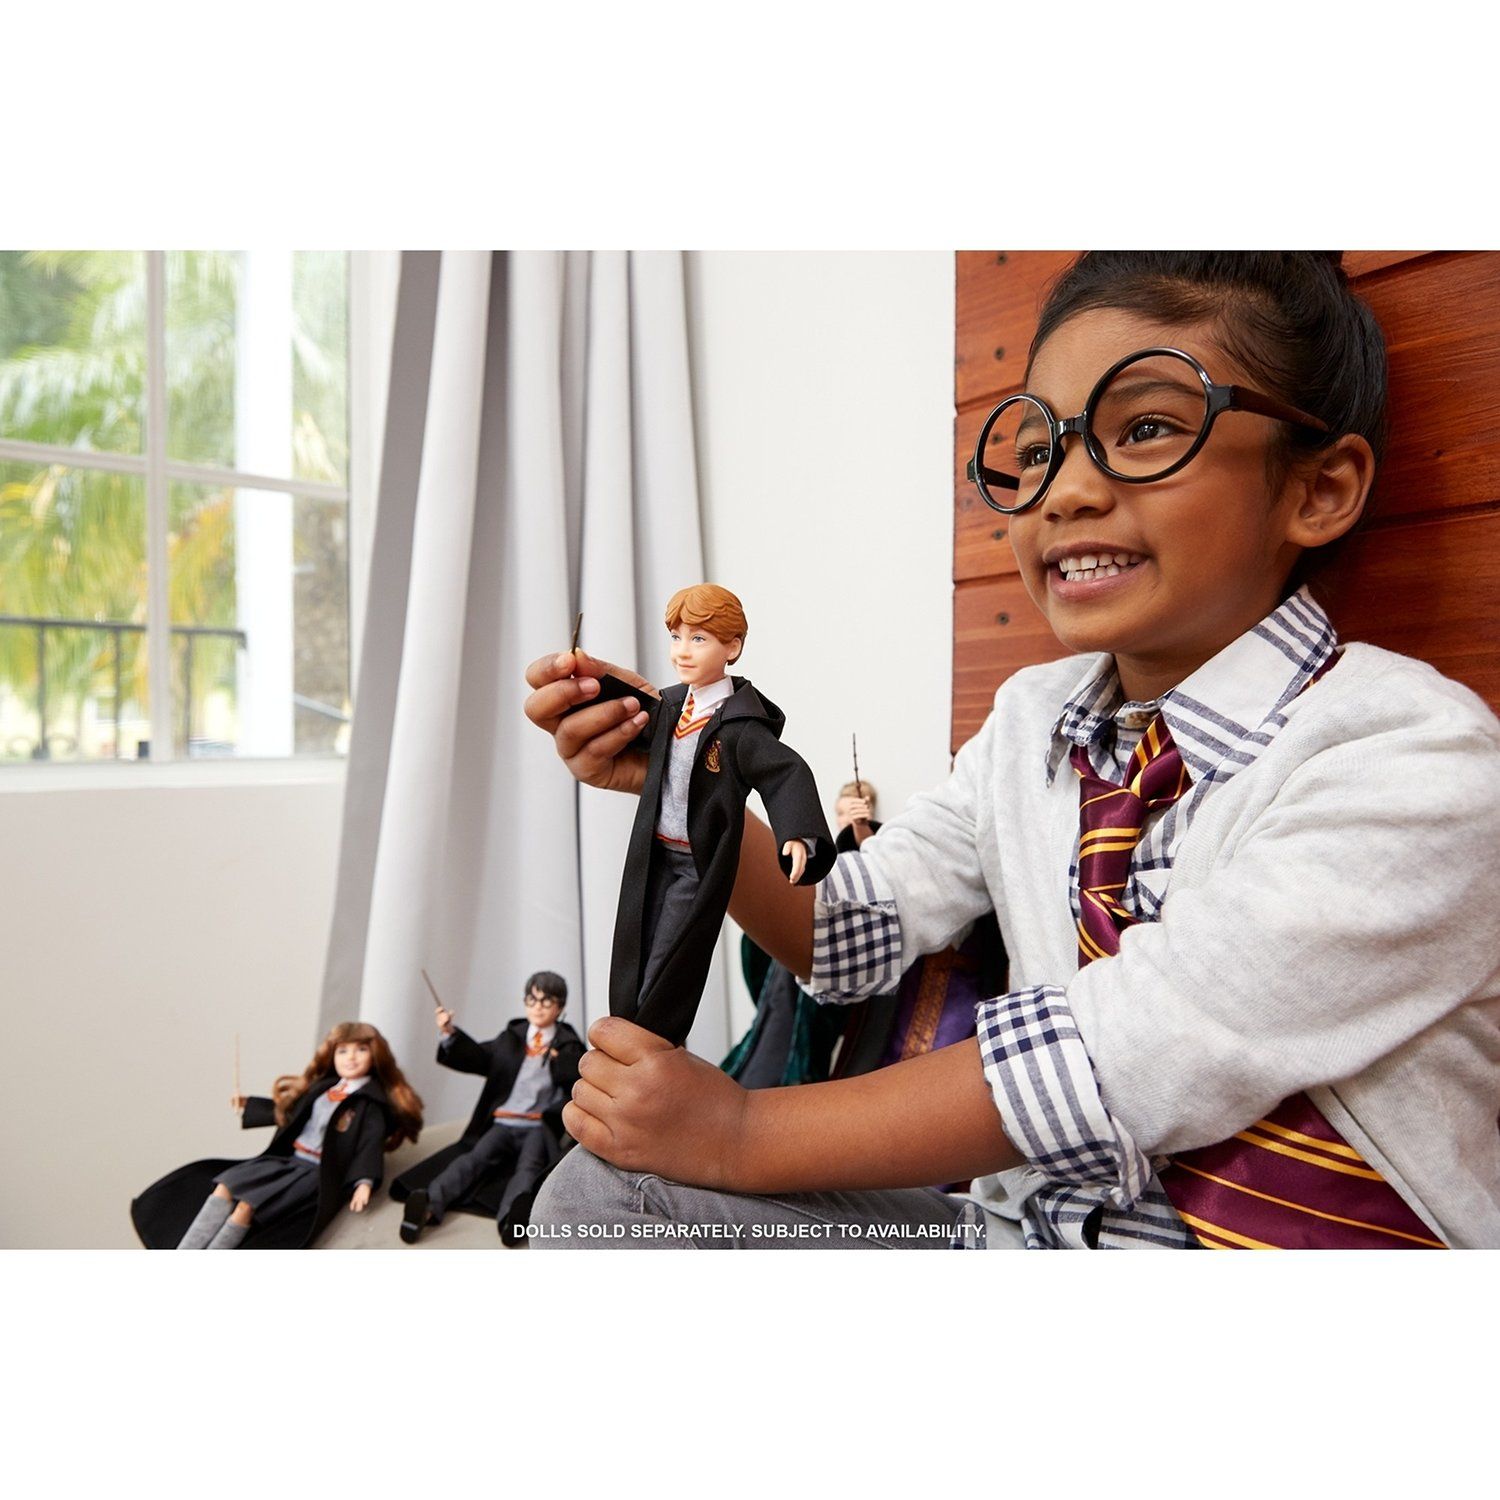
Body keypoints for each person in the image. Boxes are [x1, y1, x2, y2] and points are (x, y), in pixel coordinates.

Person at [523, 252, 1500, 1249]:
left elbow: (1114, 1055)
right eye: (1038, 448)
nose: (1064, 492)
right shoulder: (1031, 718)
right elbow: (845, 931)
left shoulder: (1416, 758)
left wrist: (738, 1130)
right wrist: (686, 780)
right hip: (1032, 1236)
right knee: (600, 1199)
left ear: (1319, 490)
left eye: (1148, 428)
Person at [605, 584, 836, 1048]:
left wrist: (798, 833)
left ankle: (649, 1037)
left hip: (696, 862)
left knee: (670, 953)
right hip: (655, 850)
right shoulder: (671, 707)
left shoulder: (740, 727)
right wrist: (589, 691)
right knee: (635, 936)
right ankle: (627, 1023)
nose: (682, 651)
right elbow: (630, 722)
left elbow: (785, 772)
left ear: (732, 647)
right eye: (676, 637)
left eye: (699, 639)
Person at [131, 1022, 423, 1250]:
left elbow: (369, 1145)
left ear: (375, 1055)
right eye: (342, 1051)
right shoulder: (323, 1088)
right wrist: (249, 1105)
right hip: (286, 1161)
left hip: (312, 1173)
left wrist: (364, 1182)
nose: (351, 1058)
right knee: (225, 1186)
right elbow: (291, 1113)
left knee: (247, 1206)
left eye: (360, 1050)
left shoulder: (369, 1104)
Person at [393, 970, 584, 1245]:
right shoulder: (511, 1038)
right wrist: (449, 1033)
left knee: (529, 1168)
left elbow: (578, 1080)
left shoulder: (569, 1045)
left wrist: (560, 1061)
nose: (538, 1007)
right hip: (504, 1121)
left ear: (560, 1006)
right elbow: (480, 1057)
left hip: (537, 1126)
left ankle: (510, 1219)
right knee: (474, 1158)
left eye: (546, 1001)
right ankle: (428, 1205)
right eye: (532, 1000)